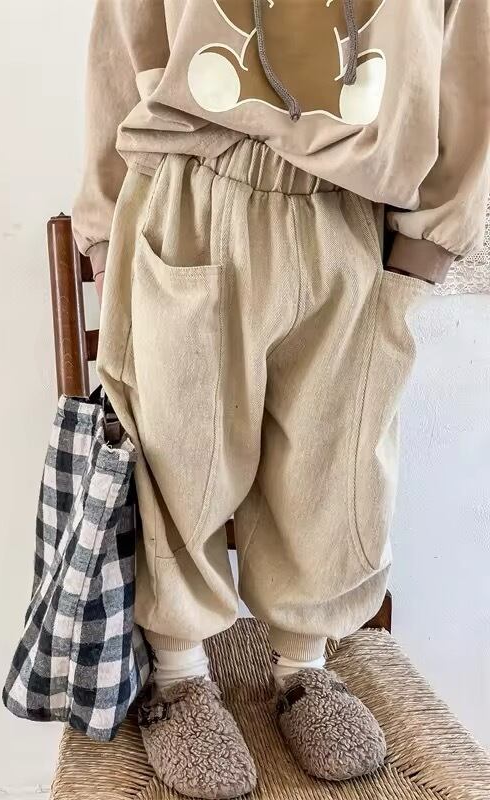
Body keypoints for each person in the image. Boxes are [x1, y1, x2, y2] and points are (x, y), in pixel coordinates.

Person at [70, 1, 490, 797]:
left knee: (340, 459)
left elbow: (468, 59)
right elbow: (123, 42)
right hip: (193, 196)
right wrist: (103, 223)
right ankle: (179, 677)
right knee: (179, 448)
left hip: (349, 218)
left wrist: (431, 239)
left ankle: (304, 668)